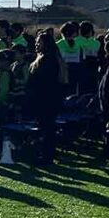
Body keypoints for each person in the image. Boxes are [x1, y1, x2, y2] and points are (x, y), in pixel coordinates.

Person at [25, 31, 65, 166]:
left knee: (47, 128)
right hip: (44, 99)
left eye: (39, 42)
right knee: (45, 127)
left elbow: (45, 82)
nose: (36, 44)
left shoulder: (48, 60)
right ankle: (43, 153)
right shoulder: (43, 58)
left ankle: (46, 156)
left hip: (46, 99)